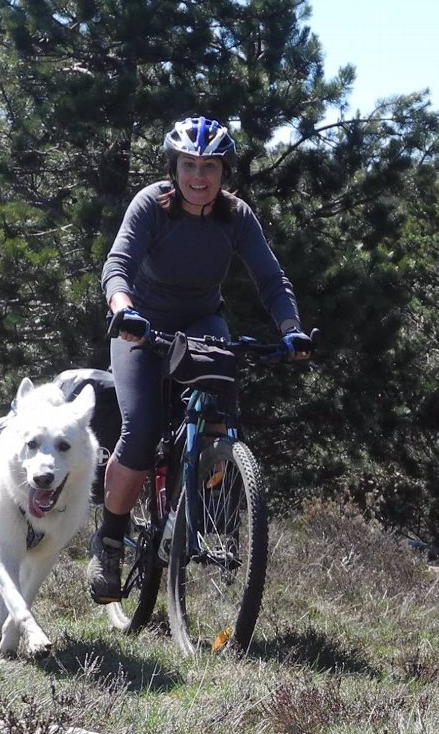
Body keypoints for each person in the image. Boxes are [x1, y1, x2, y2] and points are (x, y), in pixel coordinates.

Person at [86, 116, 314, 603]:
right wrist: (124, 309)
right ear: (174, 167)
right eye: (189, 164)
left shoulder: (236, 217)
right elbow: (118, 264)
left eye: (209, 166)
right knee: (142, 430)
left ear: (223, 172)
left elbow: (271, 280)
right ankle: (108, 543)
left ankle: (214, 515)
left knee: (221, 420)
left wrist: (291, 329)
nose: (199, 176)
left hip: (203, 323)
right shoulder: (151, 204)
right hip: (141, 328)